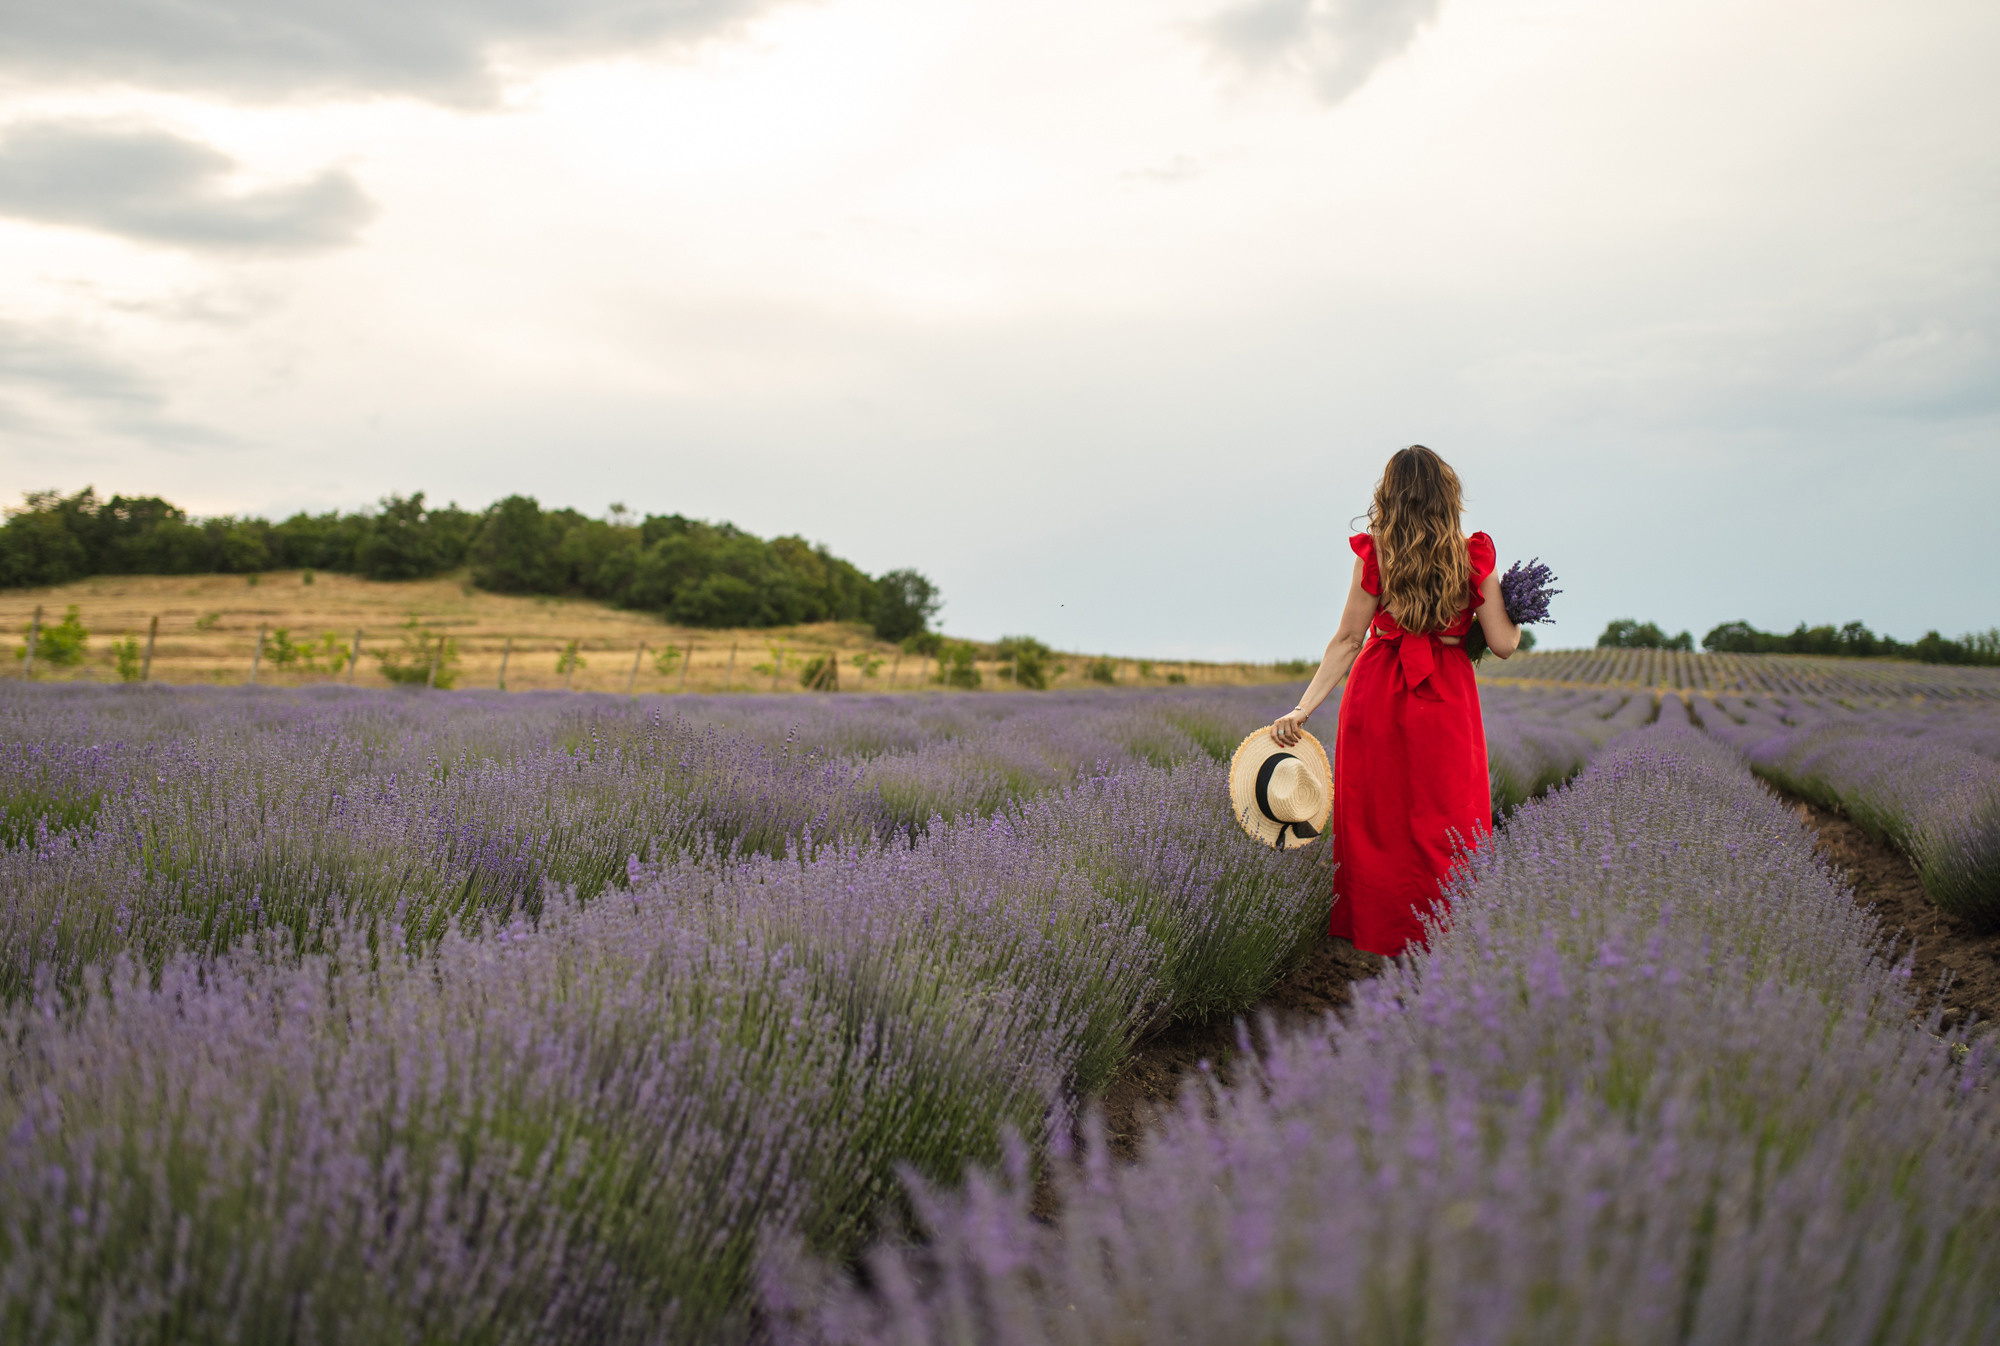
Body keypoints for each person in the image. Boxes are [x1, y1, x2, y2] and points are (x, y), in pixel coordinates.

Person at [1270, 445, 1523, 957]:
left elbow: (1347, 640)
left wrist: (1303, 708)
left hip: (1377, 692)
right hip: (1445, 698)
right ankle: (1447, 939)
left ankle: (1378, 942)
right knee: (1448, 821)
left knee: (1377, 824)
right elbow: (1503, 644)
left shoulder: (1378, 551)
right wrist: (1514, 607)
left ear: (1389, 495)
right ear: (1447, 494)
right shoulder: (1472, 554)